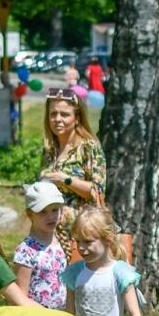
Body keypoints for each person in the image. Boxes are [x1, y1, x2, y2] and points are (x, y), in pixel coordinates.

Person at [38, 87, 107, 232]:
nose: (57, 119)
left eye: (64, 114)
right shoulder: (50, 150)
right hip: (50, 234)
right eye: (53, 114)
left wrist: (66, 180)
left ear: (77, 118)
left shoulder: (88, 147)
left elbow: (97, 192)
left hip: (79, 234)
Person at [63, 207, 144, 316]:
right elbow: (69, 314)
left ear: (108, 239)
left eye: (88, 241)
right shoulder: (75, 273)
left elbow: (134, 314)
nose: (81, 247)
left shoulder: (120, 274)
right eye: (78, 241)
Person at [12, 181, 69, 310]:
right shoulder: (26, 251)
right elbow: (20, 297)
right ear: (30, 214)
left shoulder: (62, 241)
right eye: (43, 212)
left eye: (55, 210)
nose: (51, 216)